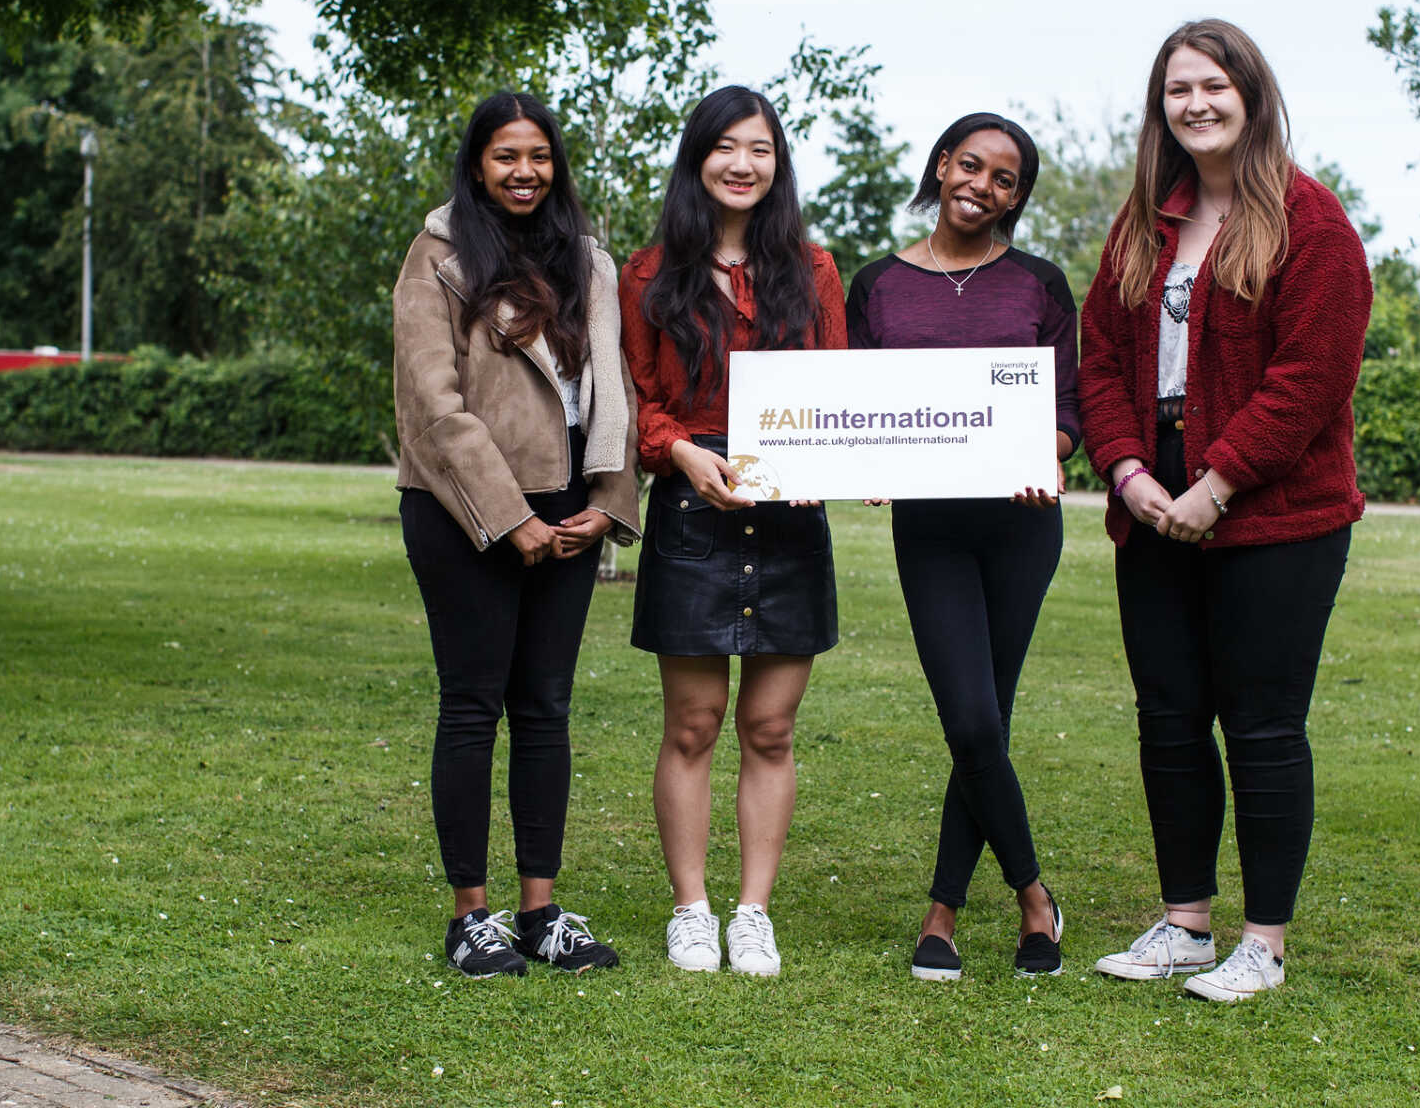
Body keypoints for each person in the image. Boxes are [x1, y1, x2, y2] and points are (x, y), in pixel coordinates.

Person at [1077, 20, 1371, 1002]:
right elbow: (1101, 360)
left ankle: (1264, 943)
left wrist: (1219, 483)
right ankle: (1186, 924)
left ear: (1251, 93)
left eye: (1213, 85)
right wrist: (1127, 471)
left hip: (1274, 509)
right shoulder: (1140, 226)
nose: (1196, 104)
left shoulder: (1309, 221)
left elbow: (1310, 377)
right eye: (1178, 90)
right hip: (1153, 495)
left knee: (1262, 725)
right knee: (1169, 717)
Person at [393, 92, 641, 978]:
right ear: (477, 164)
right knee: (472, 706)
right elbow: (433, 406)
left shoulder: (588, 261)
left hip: (570, 509)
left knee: (545, 709)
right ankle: (472, 917)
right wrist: (511, 520)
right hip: (465, 509)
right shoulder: (439, 257)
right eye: (506, 156)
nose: (525, 171)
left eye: (539, 155)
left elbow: (615, 390)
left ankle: (540, 912)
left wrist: (608, 504)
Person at [618, 85, 847, 977]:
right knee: (692, 725)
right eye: (725, 146)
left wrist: (858, 464)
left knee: (771, 729)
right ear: (698, 158)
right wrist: (679, 453)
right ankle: (692, 910)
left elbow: (837, 393)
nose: (742, 164)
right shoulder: (648, 275)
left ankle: (753, 913)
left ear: (777, 164)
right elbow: (639, 399)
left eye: (760, 148)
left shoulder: (814, 270)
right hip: (692, 513)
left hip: (792, 517)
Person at [846, 113, 1080, 981]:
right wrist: (864, 456)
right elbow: (857, 402)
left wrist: (1045, 453)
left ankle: (942, 913)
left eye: (1004, 179)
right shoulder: (876, 284)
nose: (982, 186)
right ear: (942, 165)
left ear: (1017, 198)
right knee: (972, 720)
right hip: (931, 528)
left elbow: (1068, 413)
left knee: (987, 719)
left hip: (1021, 526)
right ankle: (1033, 899)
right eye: (970, 165)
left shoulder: (1039, 283)